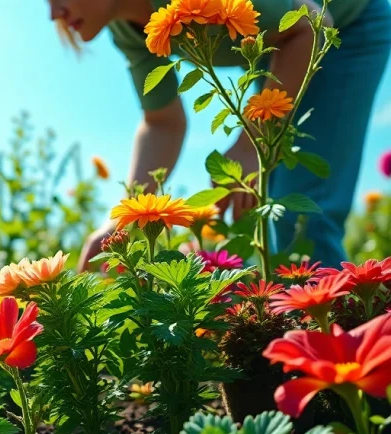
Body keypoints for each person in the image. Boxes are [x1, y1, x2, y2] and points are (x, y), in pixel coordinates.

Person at [51, 0, 391, 270]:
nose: (54, 13)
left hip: (344, 26)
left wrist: (248, 143)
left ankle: (329, 341)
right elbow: (161, 121)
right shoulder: (128, 30)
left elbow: (313, 24)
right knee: (268, 210)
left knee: (302, 214)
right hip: (285, 45)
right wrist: (125, 219)